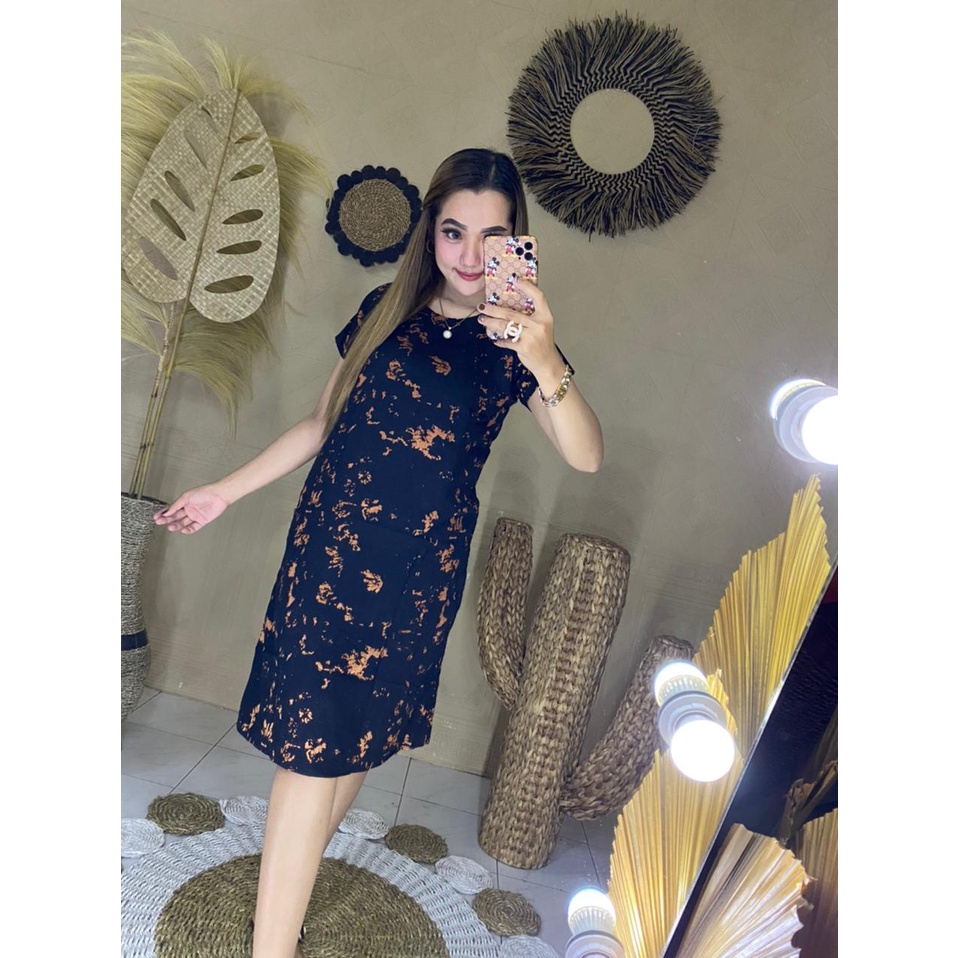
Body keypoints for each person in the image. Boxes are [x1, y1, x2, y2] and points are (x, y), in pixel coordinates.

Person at [154, 147, 603, 958]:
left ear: (516, 240)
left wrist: (544, 354)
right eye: (454, 231)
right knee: (308, 751)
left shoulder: (516, 343)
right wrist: (223, 490)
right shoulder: (382, 310)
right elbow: (319, 424)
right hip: (329, 554)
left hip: (416, 576)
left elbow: (586, 455)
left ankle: (285, 903)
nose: (470, 254)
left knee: (352, 736)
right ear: (431, 231)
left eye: (491, 236)